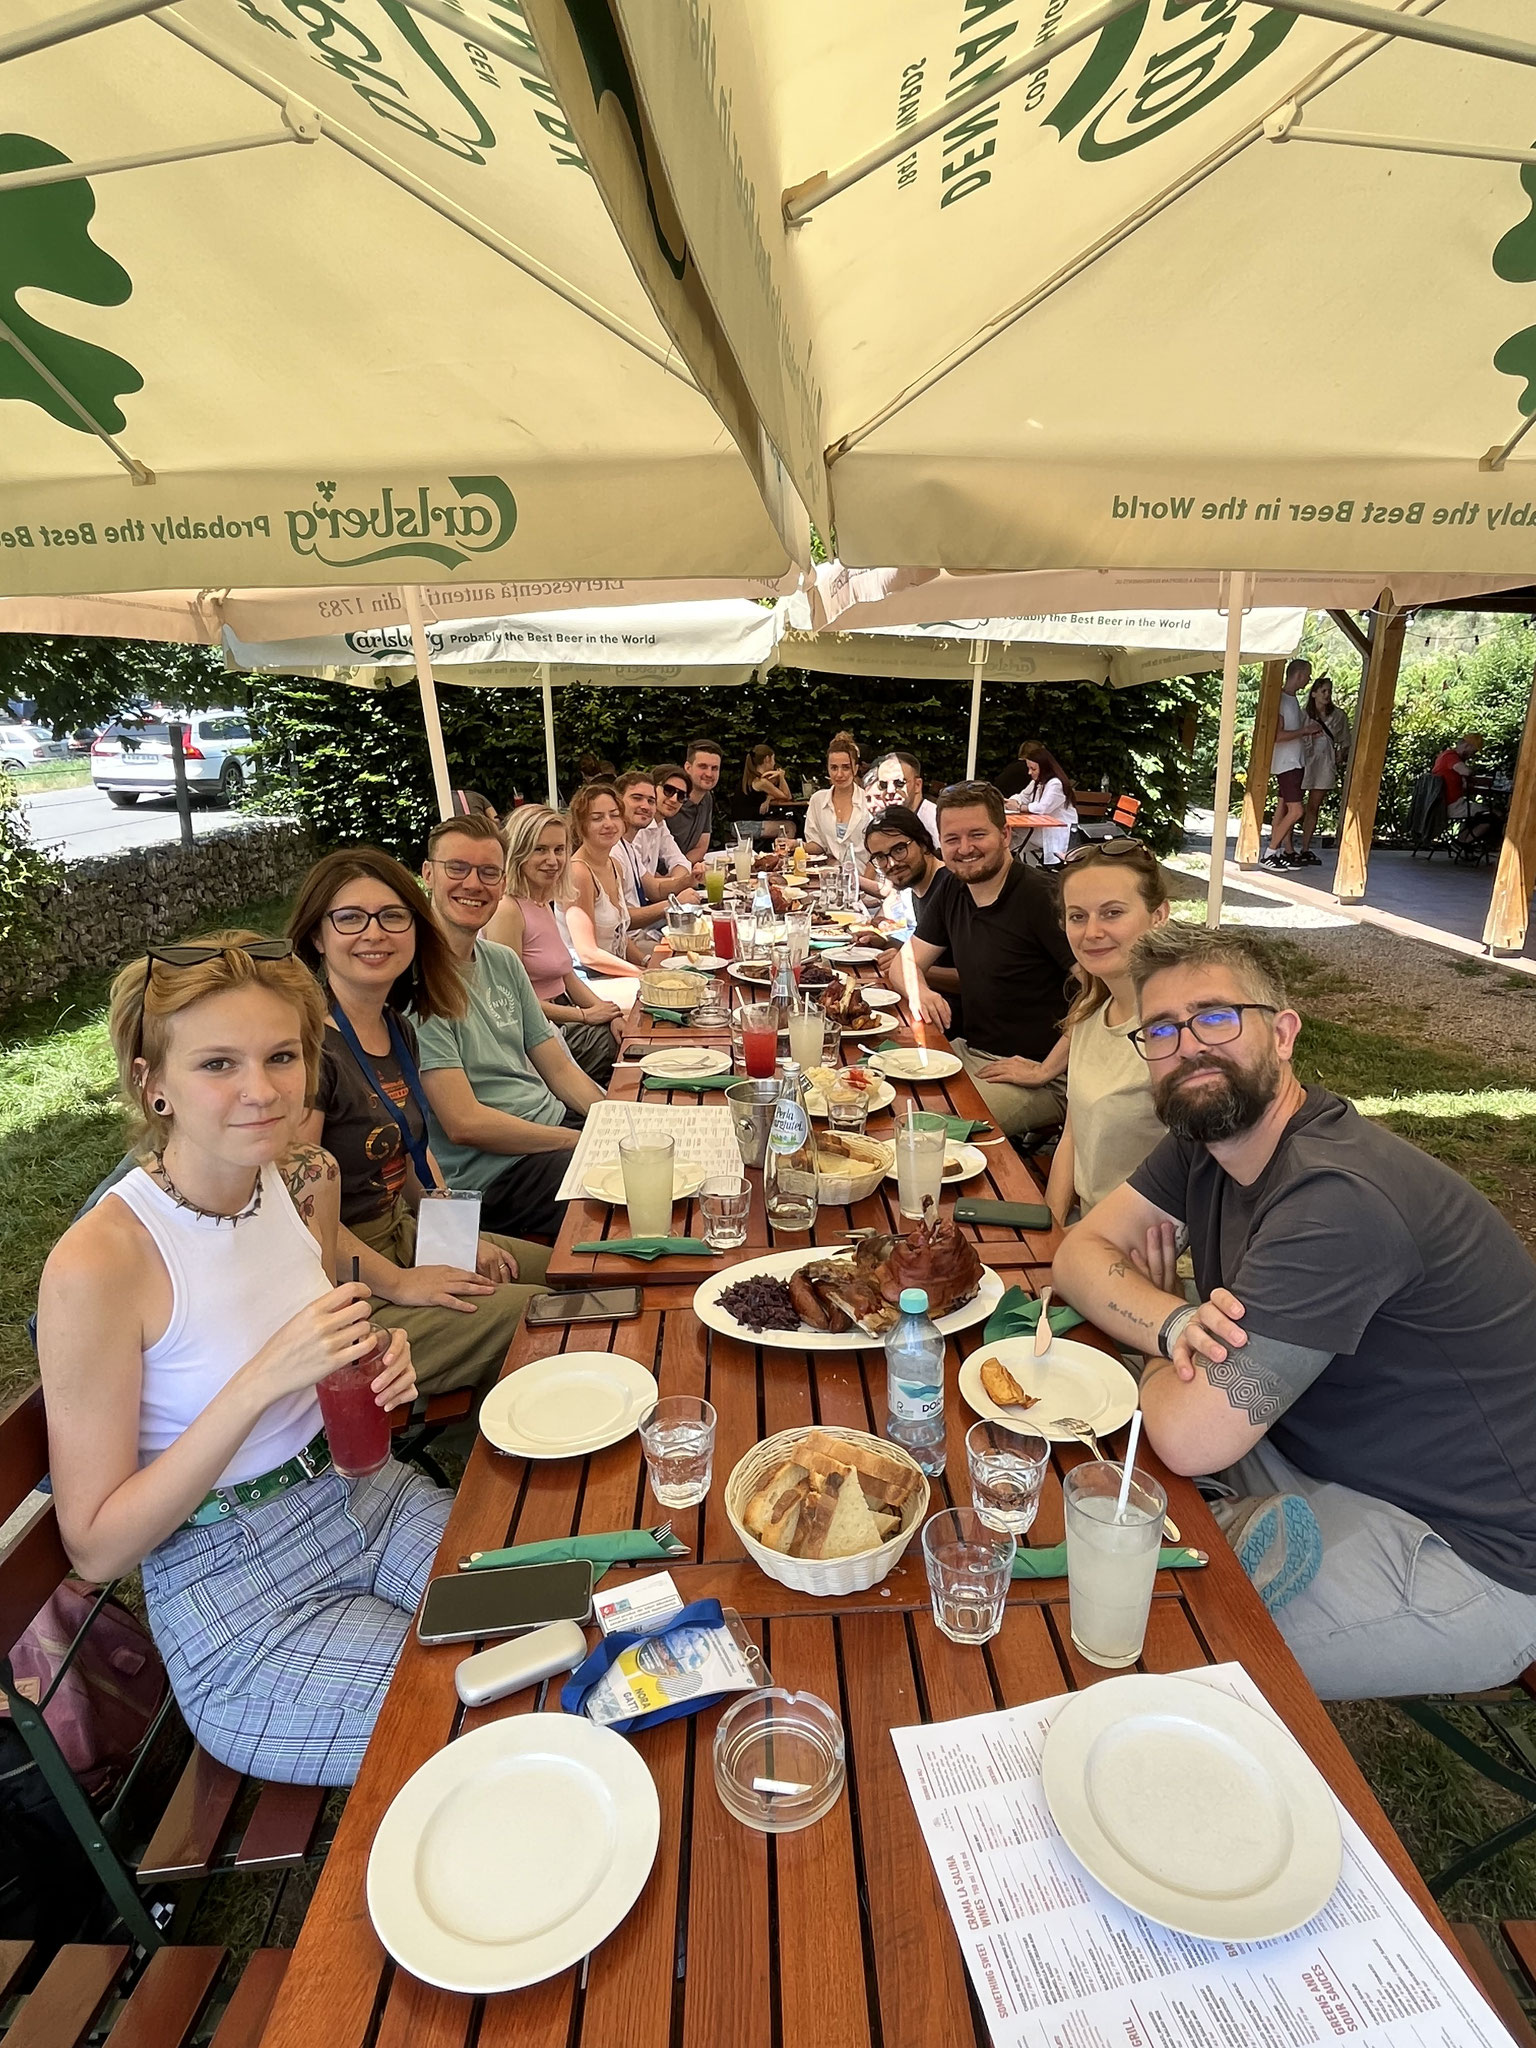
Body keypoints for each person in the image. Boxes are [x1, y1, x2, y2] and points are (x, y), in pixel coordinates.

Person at [1052, 921, 1536, 1699]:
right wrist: (1176, 1324)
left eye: (1215, 1017)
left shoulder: (1335, 1197)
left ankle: (1230, 1536)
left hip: (1470, 1546)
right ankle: (1235, 1523)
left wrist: (1146, 1334)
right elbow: (1078, 1254)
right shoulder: (1204, 1134)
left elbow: (1185, 1432)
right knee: (1086, 1469)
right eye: (1163, 1030)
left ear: (1281, 1033)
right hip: (1312, 1448)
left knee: (1137, 1639)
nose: (1189, 1047)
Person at [37, 933, 440, 1786]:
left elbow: (315, 1346)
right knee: (470, 1708)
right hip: (242, 1598)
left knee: (555, 1619)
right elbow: (98, 1547)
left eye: (281, 1056)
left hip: (368, 1496)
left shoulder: (288, 1179)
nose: (261, 1091)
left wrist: (375, 1355)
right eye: (218, 1063)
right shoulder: (102, 1261)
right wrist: (261, 1378)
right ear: (154, 1084)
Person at [286, 848, 550, 1398]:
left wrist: (458, 1238)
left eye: (393, 916)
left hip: (405, 1236)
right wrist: (404, 1282)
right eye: (350, 917)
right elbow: (299, 1219)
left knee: (570, 1272)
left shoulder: (396, 1028)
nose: (375, 933)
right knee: (547, 1314)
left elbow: (411, 1156)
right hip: (345, 1286)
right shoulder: (306, 1051)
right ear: (317, 936)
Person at [416, 813, 604, 1241]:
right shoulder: (417, 983)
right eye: (457, 869)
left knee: (663, 1155)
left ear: (503, 881)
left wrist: (615, 1118)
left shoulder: (500, 962)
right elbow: (464, 1123)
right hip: (495, 1175)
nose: (473, 884)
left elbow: (559, 1070)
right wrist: (571, 1141)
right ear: (428, 873)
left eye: (488, 872)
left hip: (551, 1134)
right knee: (641, 1194)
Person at [899, 781, 1075, 1135]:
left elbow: (1102, 992)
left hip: (1042, 1075)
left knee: (929, 1132)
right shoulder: (952, 886)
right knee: (880, 1091)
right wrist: (923, 992)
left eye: (977, 835)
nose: (964, 849)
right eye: (952, 839)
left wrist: (1046, 1070)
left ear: (1006, 834)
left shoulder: (1043, 898)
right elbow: (902, 964)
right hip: (972, 1052)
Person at [1043, 842, 1170, 1226]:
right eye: (1077, 916)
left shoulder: (1181, 1033)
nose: (1092, 932)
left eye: (1112, 913)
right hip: (1087, 1232)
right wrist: (1047, 1234)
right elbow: (1073, 1136)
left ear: (1158, 916)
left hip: (1157, 1253)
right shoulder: (1088, 1013)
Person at [484, 806, 624, 1083]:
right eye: (540, 850)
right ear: (518, 853)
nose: (552, 860)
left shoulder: (541, 903)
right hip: (539, 1032)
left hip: (563, 1015)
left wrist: (609, 1014)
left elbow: (567, 975)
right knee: (626, 1052)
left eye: (559, 850)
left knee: (629, 1031)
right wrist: (584, 1016)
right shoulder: (508, 910)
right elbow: (514, 1003)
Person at [1262, 659, 1321, 868]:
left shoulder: (1292, 700)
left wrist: (1306, 735)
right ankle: (1269, 853)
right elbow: (1277, 735)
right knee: (1296, 811)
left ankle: (1279, 850)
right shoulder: (1281, 699)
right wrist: (1304, 731)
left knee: (1283, 808)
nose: (1308, 680)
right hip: (1286, 763)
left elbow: (1291, 732)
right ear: (1298, 675)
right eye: (1308, 675)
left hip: (1294, 762)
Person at [1294, 677, 1353, 864]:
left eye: (1329, 691)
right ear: (1314, 694)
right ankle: (1286, 847)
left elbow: (1345, 740)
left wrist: (1340, 754)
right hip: (1304, 761)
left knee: (1313, 806)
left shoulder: (1338, 716)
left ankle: (1305, 847)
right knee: (1293, 805)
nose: (1327, 695)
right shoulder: (1303, 715)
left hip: (1325, 763)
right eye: (1323, 691)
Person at [617, 770, 695, 901]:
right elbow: (627, 915)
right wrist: (675, 889)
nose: (674, 799)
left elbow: (680, 863)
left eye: (681, 796)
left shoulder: (660, 825)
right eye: (668, 790)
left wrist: (677, 882)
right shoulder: (625, 837)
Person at [803, 731, 874, 867]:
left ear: (856, 768)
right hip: (831, 878)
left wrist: (865, 885)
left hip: (866, 878)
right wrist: (795, 846)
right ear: (828, 769)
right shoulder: (817, 800)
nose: (839, 774)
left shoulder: (870, 801)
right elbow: (818, 845)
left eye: (846, 767)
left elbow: (877, 855)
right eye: (834, 768)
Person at [1004, 742, 1078, 865]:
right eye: (1029, 768)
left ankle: (1011, 865)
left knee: (1010, 832)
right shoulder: (1038, 782)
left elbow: (1043, 808)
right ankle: (1011, 863)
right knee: (1010, 834)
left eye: (1033, 769)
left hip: (1057, 832)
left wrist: (1019, 807)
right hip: (1043, 829)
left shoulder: (1055, 784)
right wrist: (1013, 801)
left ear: (1044, 768)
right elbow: (1024, 796)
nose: (1029, 772)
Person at [672, 739, 723, 863]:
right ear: (688, 767)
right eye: (703, 767)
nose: (709, 774)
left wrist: (681, 872)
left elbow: (701, 847)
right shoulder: (670, 800)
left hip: (682, 873)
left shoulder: (707, 798)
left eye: (715, 768)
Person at [869, 752, 939, 842]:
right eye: (883, 785)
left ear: (917, 785)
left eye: (899, 783)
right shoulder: (879, 822)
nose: (890, 790)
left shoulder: (937, 822)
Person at [1431, 732, 1486, 818]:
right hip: (1451, 806)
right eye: (1473, 751)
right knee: (1490, 814)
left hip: (1449, 805)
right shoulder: (1450, 756)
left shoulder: (1448, 756)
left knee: (1476, 815)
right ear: (1467, 746)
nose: (1472, 756)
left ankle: (1467, 832)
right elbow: (1466, 771)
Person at [740, 743, 795, 818]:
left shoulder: (752, 778)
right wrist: (781, 776)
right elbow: (787, 797)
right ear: (767, 759)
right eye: (773, 759)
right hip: (750, 823)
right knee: (791, 825)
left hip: (749, 820)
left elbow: (772, 795)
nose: (774, 763)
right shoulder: (761, 782)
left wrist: (769, 798)